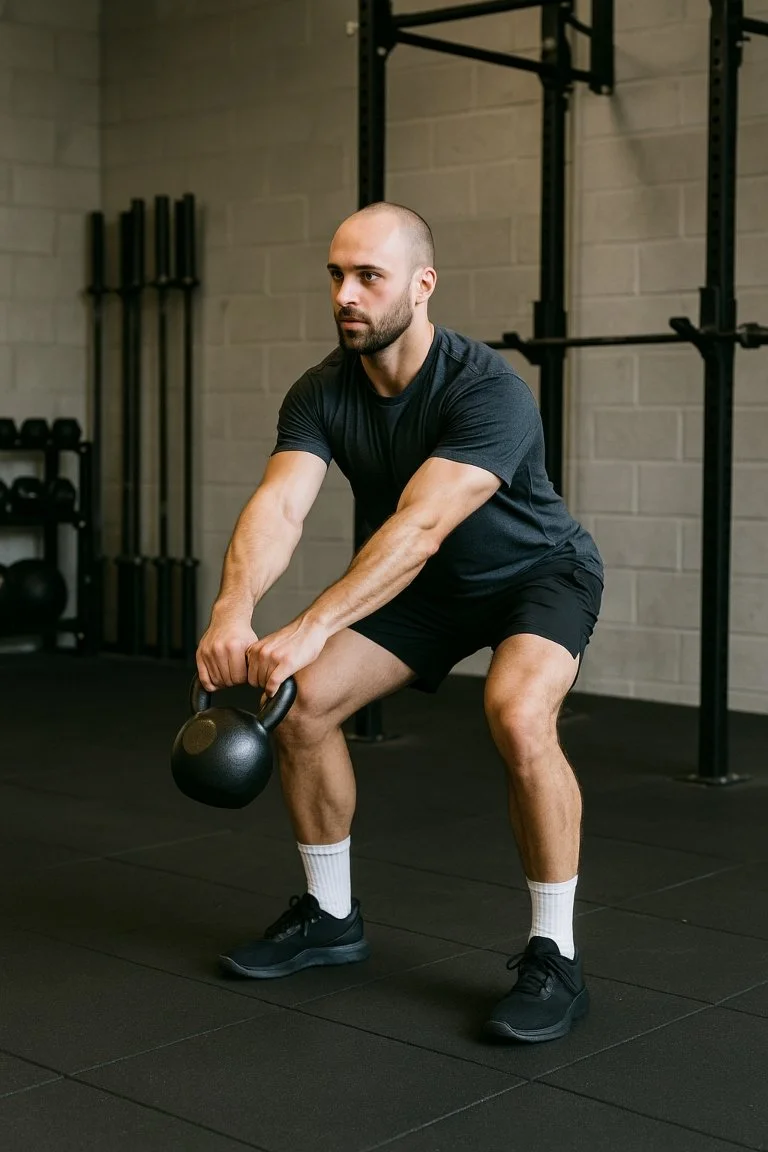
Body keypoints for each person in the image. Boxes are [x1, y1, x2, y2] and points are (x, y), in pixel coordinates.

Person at [196, 201, 604, 1043]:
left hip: (535, 574)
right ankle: (329, 917)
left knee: (518, 713)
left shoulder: (488, 389)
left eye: (368, 277)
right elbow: (280, 506)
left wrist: (310, 622)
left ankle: (555, 954)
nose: (346, 294)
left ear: (422, 286)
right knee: (302, 704)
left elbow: (420, 529)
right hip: (427, 591)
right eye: (336, 276)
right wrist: (231, 609)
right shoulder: (321, 392)